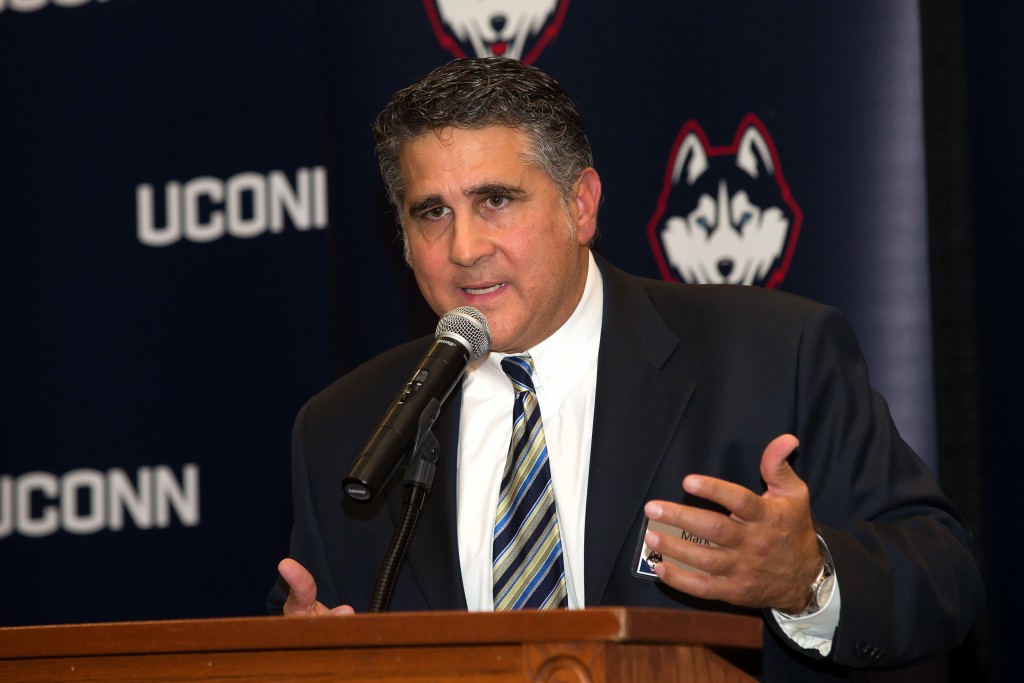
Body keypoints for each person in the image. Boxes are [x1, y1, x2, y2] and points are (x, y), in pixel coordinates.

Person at [268, 57, 983, 679]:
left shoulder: (772, 354)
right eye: (431, 213)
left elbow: (942, 575)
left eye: (495, 200)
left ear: (580, 205)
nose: (463, 247)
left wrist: (809, 576)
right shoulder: (347, 428)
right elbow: (307, 627)